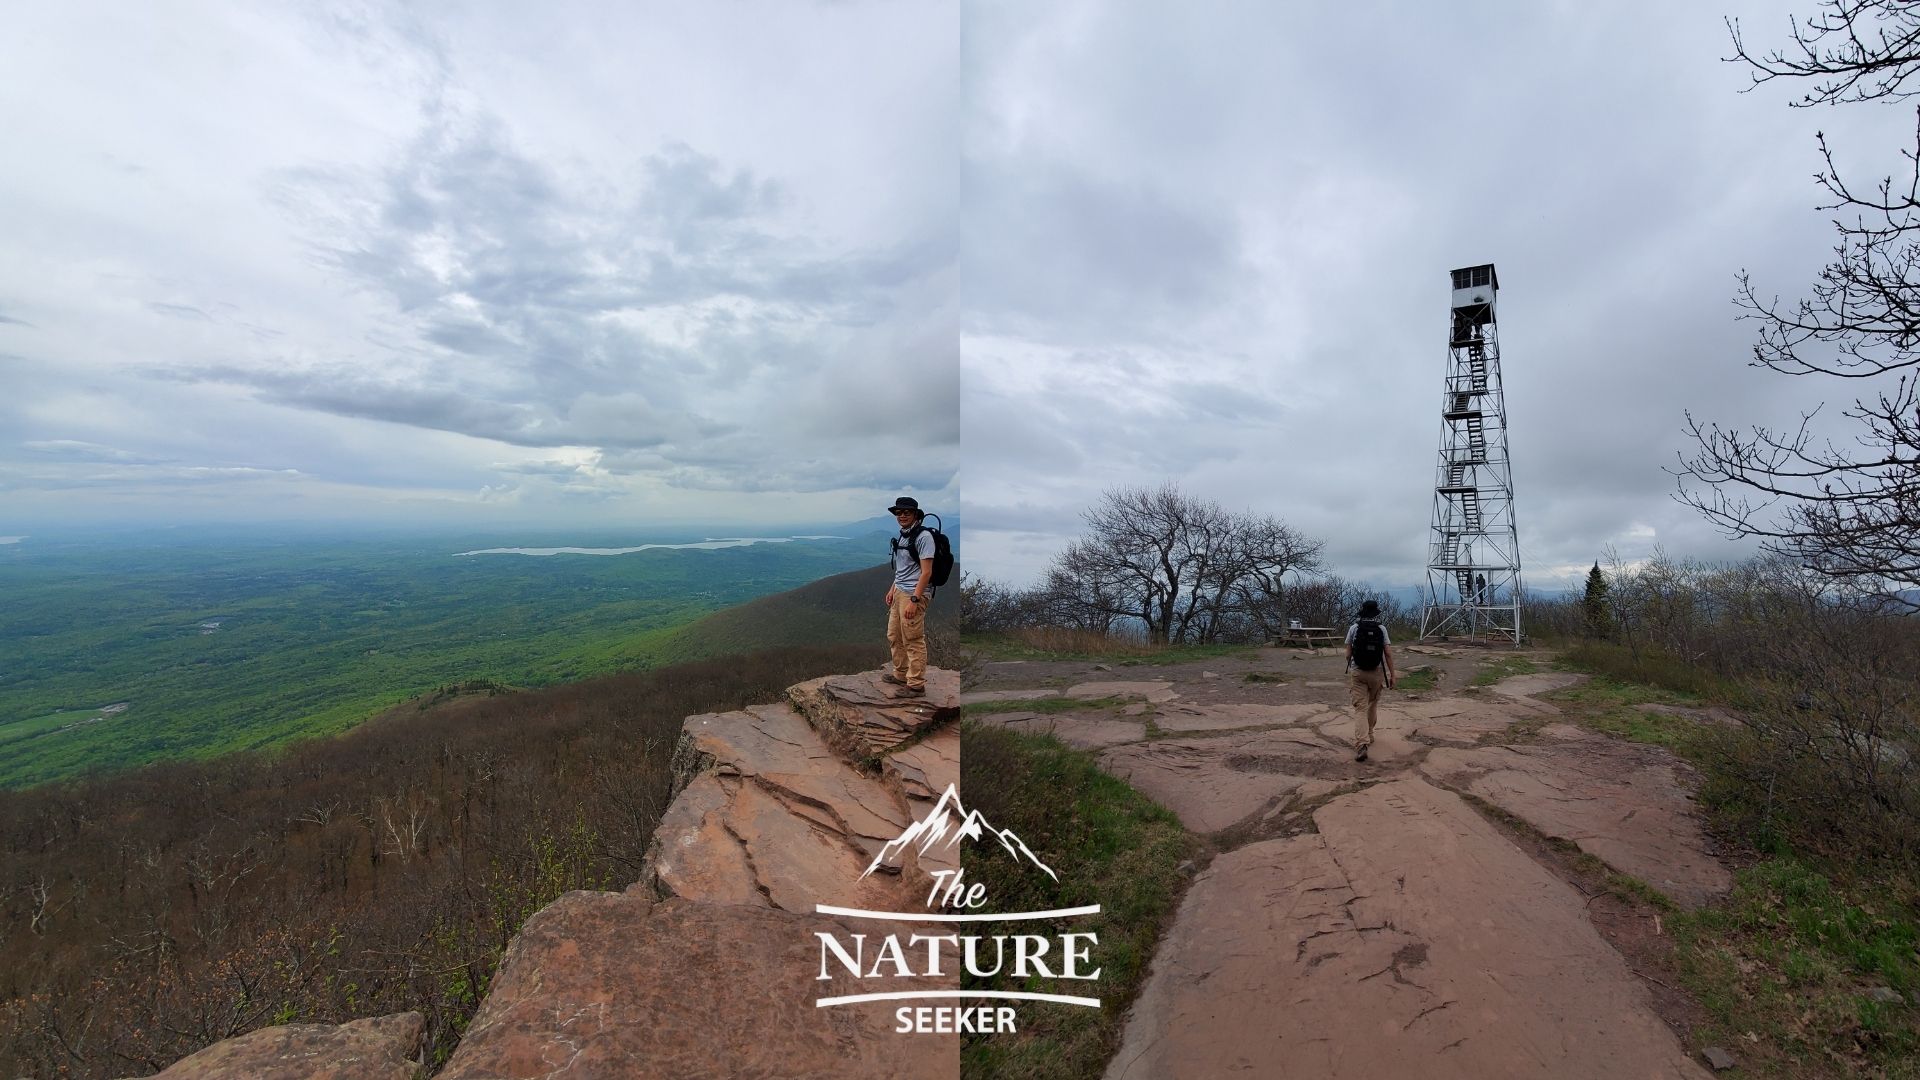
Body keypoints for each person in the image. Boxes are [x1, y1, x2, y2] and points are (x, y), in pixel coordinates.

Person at [882, 496, 937, 698]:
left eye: (906, 512)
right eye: (899, 512)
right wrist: (892, 589)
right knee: (894, 635)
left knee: (913, 639)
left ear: (915, 514)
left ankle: (916, 685)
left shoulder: (923, 537)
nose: (902, 515)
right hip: (900, 592)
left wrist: (915, 599)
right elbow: (903, 570)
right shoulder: (904, 535)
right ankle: (901, 673)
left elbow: (926, 572)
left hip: (914, 594)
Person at [1345, 599, 1396, 761]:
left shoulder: (1354, 628)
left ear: (1362, 612)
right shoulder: (1381, 628)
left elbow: (1348, 653)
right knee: (1372, 704)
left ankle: (1362, 744)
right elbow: (1387, 653)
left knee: (1360, 708)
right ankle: (1371, 734)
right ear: (1375, 614)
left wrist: (1352, 667)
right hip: (1376, 673)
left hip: (1358, 672)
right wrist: (1392, 675)